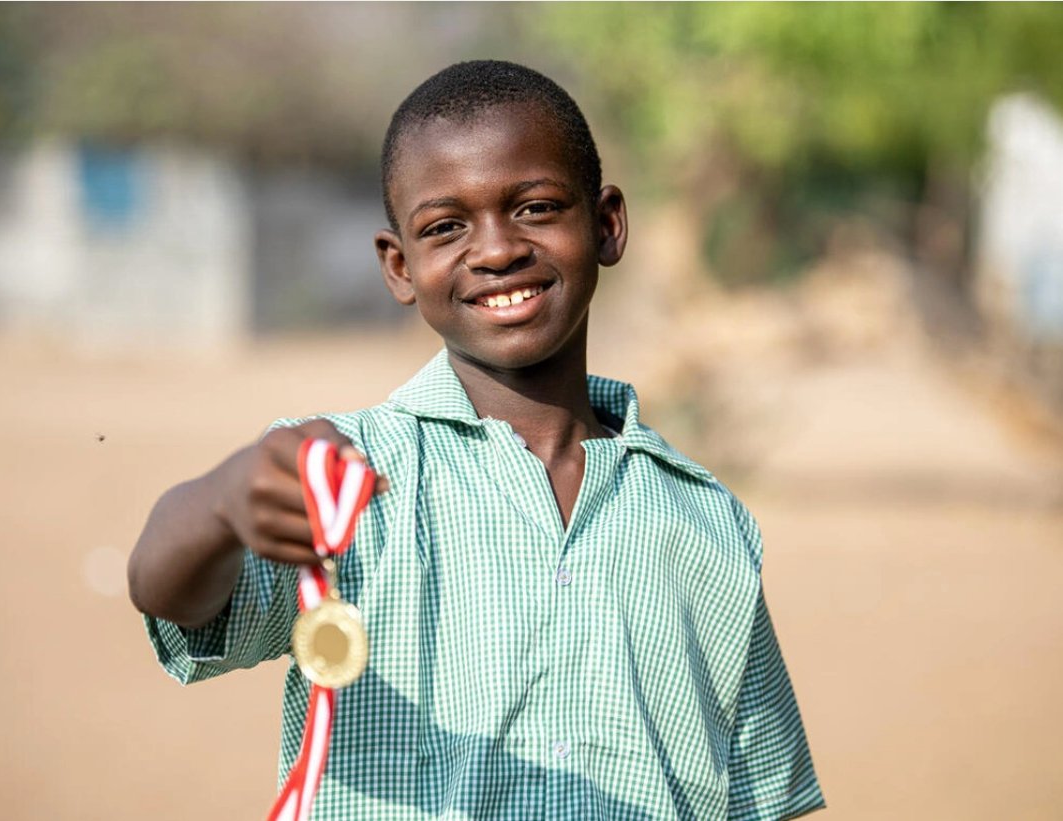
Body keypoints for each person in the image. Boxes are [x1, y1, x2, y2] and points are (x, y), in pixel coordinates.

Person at [129, 60, 825, 820]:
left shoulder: (707, 520)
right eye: (445, 227)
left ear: (608, 225)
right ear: (400, 266)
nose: (496, 251)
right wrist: (220, 503)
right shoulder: (334, 482)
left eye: (533, 207)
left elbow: (761, 796)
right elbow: (171, 593)